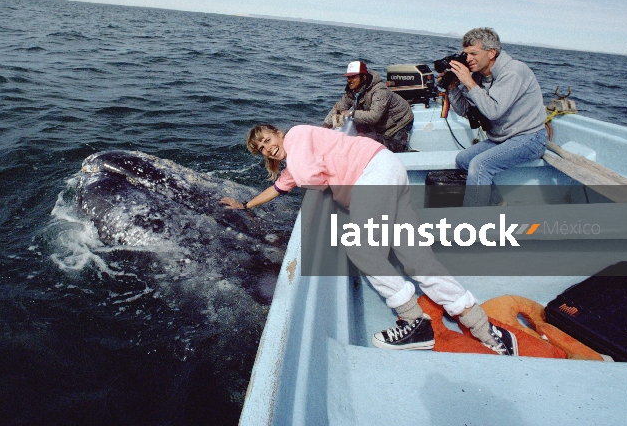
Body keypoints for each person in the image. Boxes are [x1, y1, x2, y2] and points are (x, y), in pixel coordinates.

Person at [220, 124, 518, 355]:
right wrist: (246, 206)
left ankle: (415, 321)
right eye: (261, 149)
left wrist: (305, 178)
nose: (267, 148)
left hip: (372, 173)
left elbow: (312, 177)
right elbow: (279, 187)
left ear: (279, 134)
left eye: (268, 140)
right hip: (386, 167)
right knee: (416, 258)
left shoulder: (297, 136)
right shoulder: (293, 161)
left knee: (361, 249)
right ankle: (484, 328)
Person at [445, 28, 548, 206]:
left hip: (529, 138)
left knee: (480, 165)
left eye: (474, 53)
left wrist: (468, 82)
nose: (468, 59)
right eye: (466, 54)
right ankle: (499, 204)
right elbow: (464, 111)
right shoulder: (479, 76)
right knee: (463, 160)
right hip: (501, 138)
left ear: (492, 53)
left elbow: (493, 111)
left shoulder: (514, 71)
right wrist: (452, 87)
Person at [322, 61, 414, 153]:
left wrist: (351, 113)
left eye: (353, 77)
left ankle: (403, 147)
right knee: (362, 136)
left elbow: (374, 116)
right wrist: (325, 127)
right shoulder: (351, 91)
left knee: (391, 150)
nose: (349, 80)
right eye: (348, 77)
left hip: (400, 122)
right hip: (380, 125)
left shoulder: (379, 91)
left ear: (363, 77)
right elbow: (339, 107)